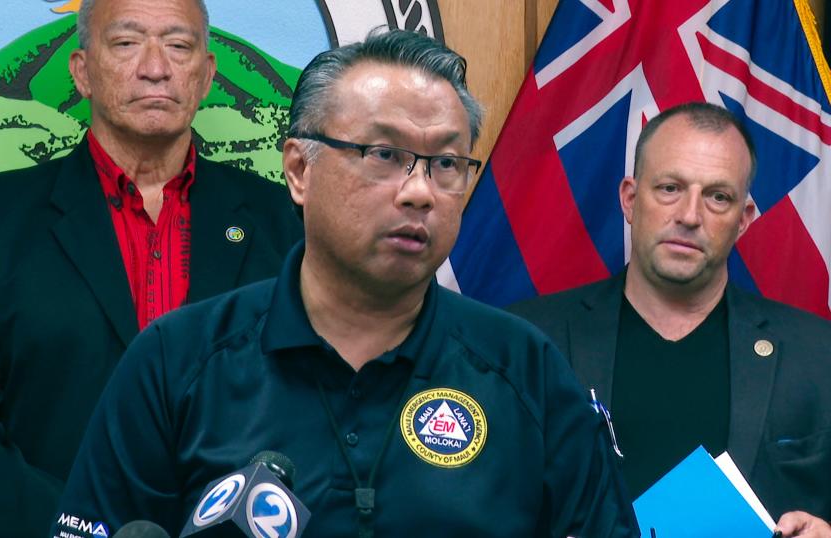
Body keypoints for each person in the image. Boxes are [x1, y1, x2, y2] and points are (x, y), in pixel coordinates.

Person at [50, 29, 639, 538]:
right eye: (384, 154)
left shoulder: (526, 370)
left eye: (447, 164)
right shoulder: (176, 361)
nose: (419, 191)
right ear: (300, 170)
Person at [0, 0, 302, 536]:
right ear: (81, 71)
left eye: (179, 45)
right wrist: (84, 529)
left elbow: (310, 407)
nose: (155, 66)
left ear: (207, 74)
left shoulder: (284, 224)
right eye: (125, 43)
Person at [509, 102, 831, 537]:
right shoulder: (526, 341)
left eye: (718, 196)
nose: (690, 216)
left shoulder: (818, 354)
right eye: (669, 188)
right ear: (629, 198)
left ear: (743, 220)